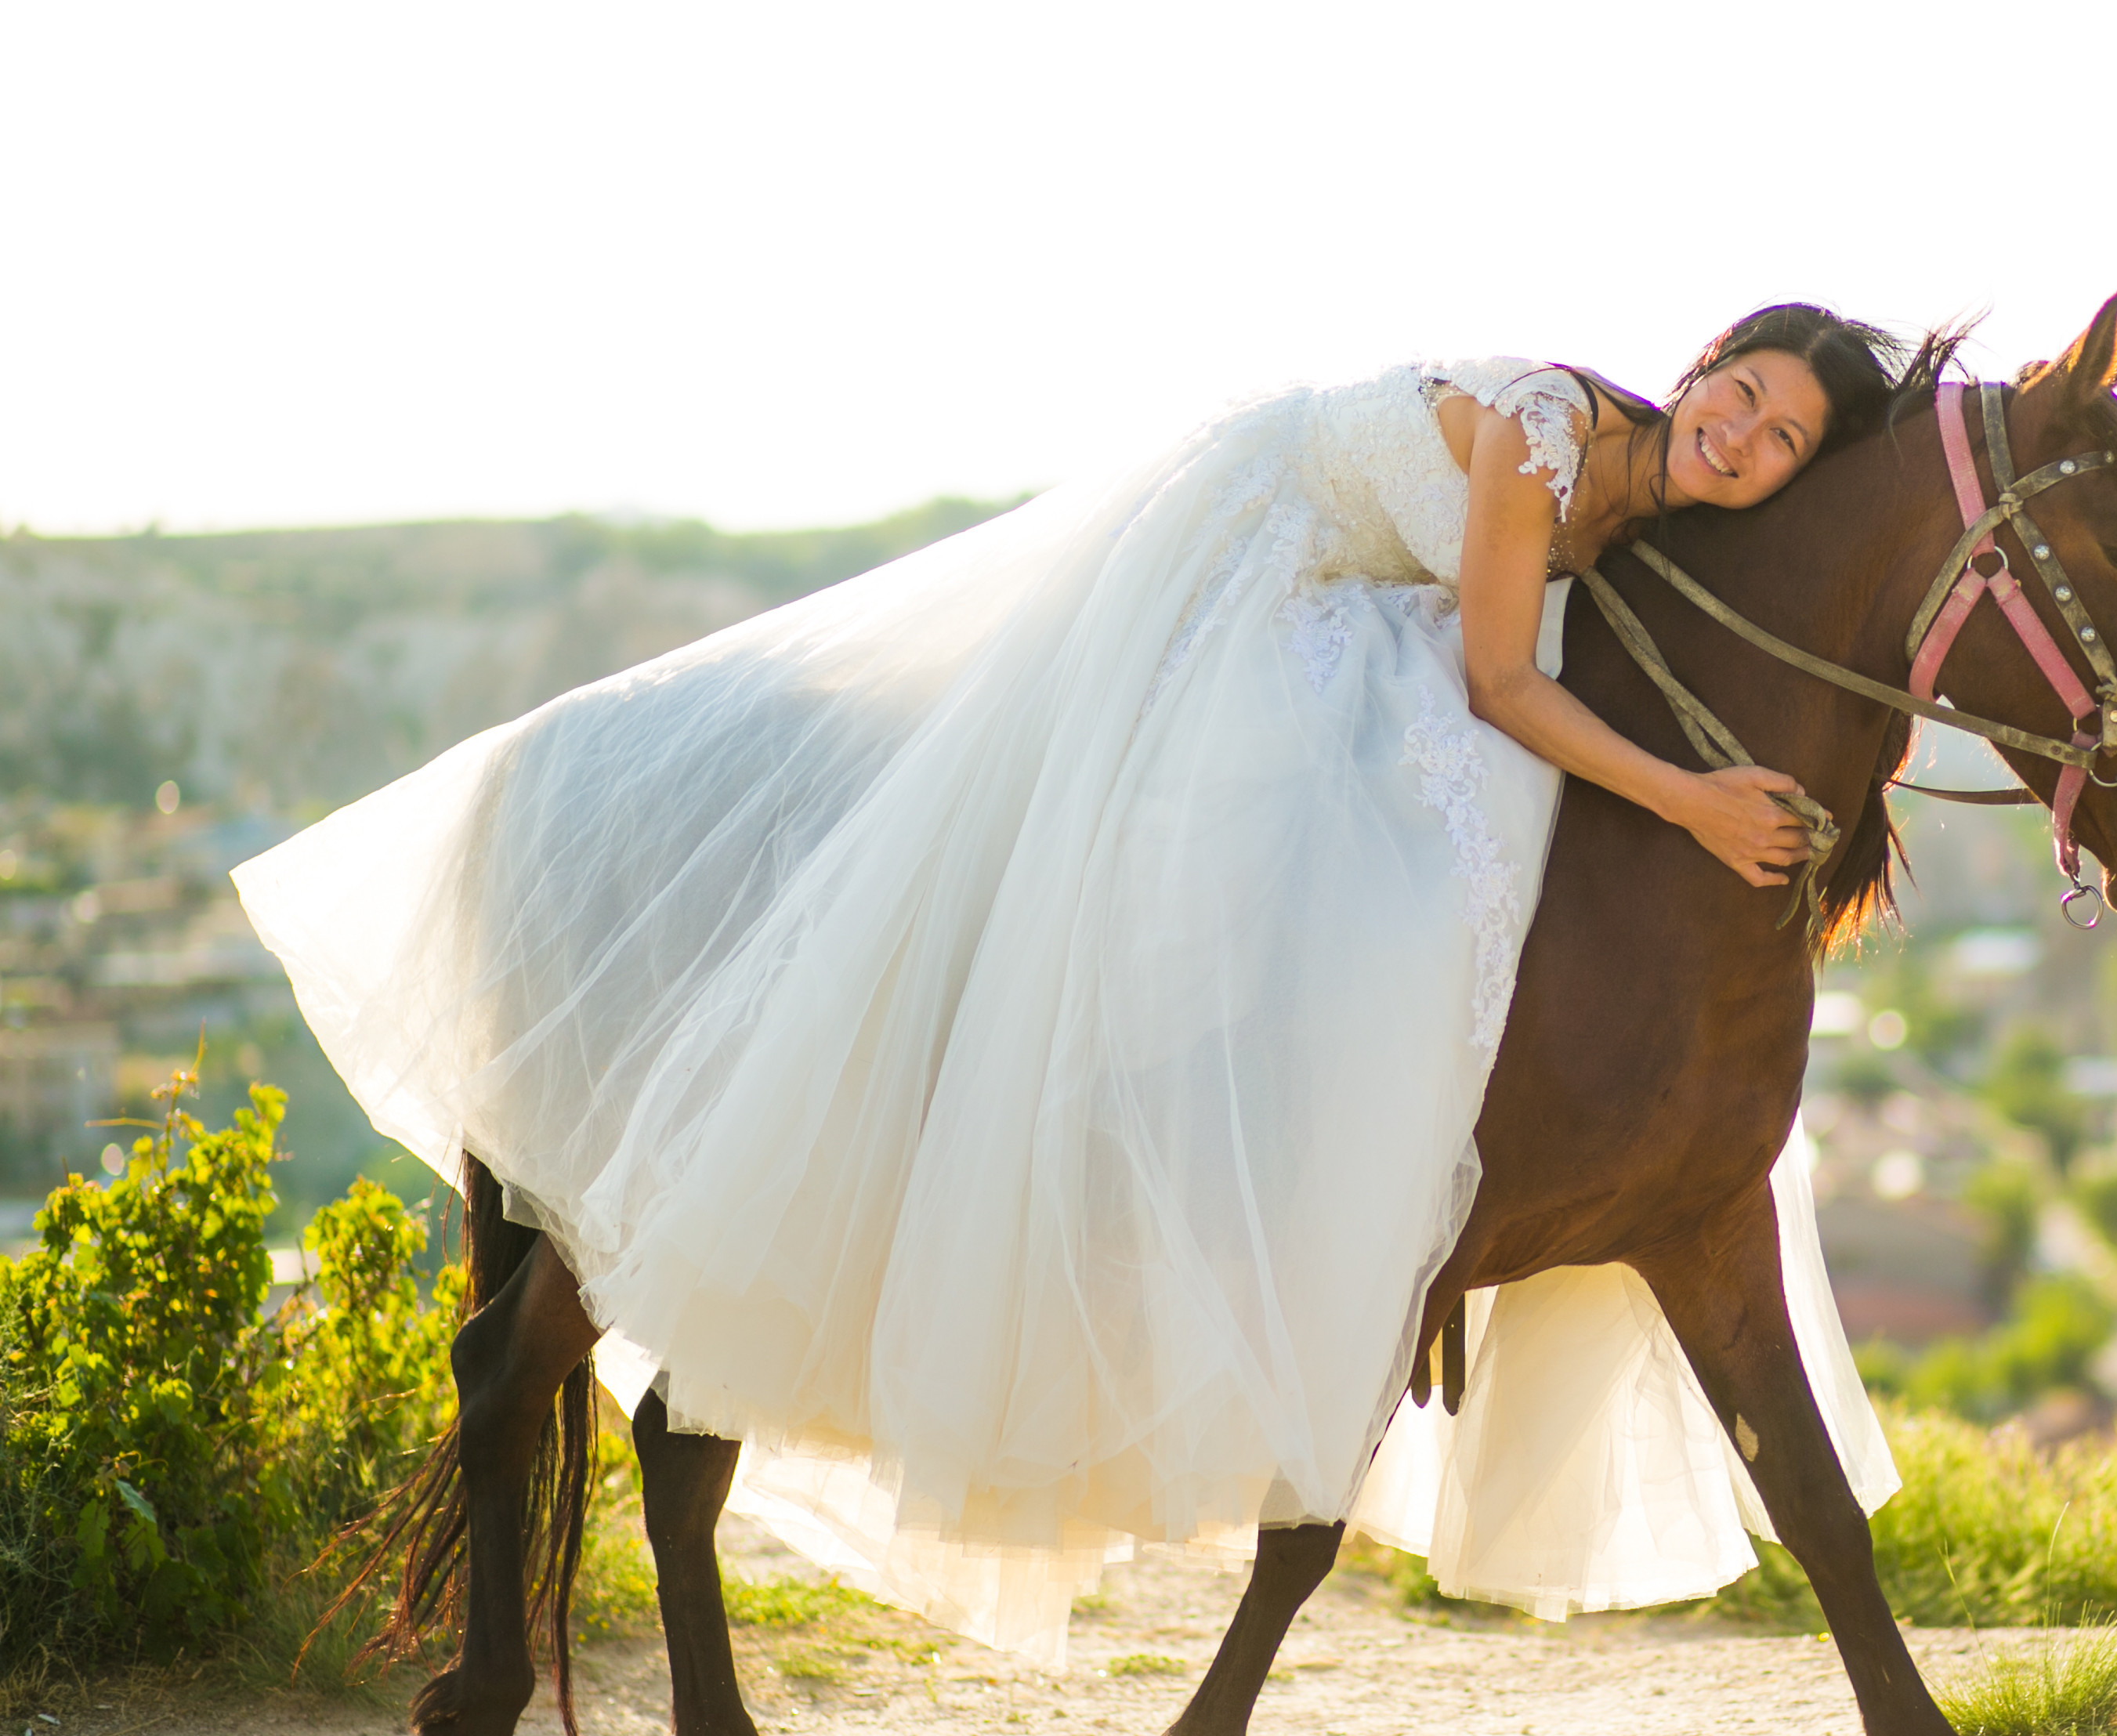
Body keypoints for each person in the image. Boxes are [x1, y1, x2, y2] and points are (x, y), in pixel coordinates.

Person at [233, 307, 1911, 1659]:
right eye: (1746, 395)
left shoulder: (1648, 510)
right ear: (1702, 364)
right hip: (1257, 567)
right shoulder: (1553, 425)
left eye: (1783, 444)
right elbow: (1491, 676)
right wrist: (1695, 801)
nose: (1747, 438)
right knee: (1283, 830)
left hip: (1360, 613)